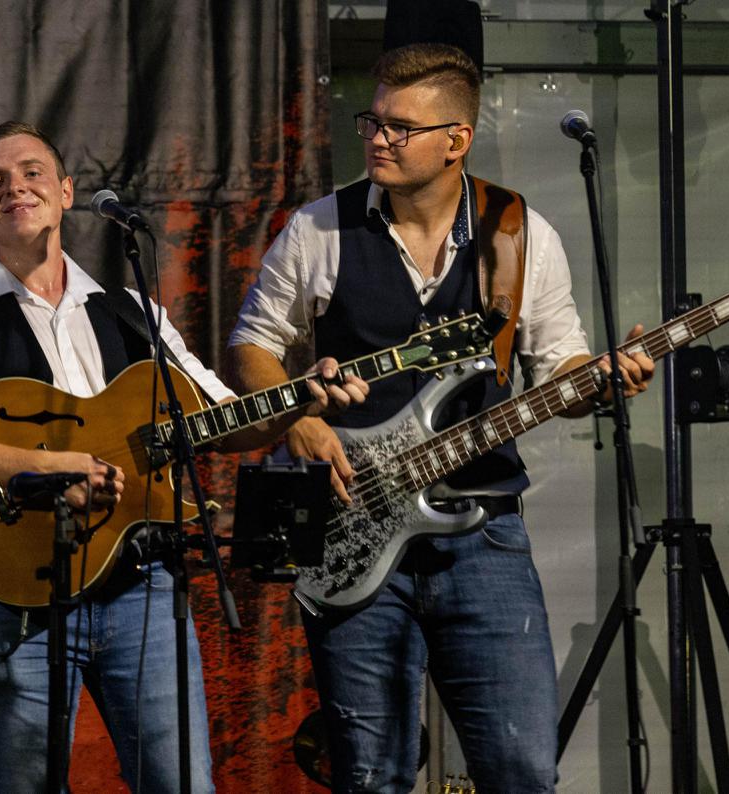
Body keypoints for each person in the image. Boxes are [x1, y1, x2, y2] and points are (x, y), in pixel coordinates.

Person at [0, 121, 367, 792]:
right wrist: (51, 467)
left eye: (31, 172)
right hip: (20, 599)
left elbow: (224, 419)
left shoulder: (135, 312)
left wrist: (301, 399)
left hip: (143, 590)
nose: (14, 187)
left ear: (66, 191)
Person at [226, 44, 654, 792]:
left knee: (522, 771)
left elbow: (559, 366)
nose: (378, 139)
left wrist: (604, 380)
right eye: (373, 122)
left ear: (457, 140)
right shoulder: (317, 229)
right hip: (352, 526)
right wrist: (297, 415)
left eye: (401, 128)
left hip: (483, 534)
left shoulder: (519, 233)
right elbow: (253, 346)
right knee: (371, 776)